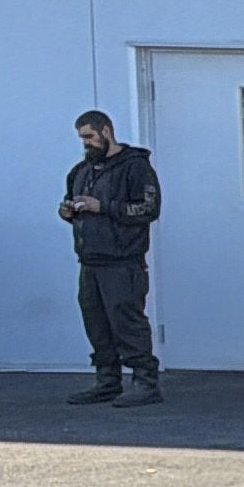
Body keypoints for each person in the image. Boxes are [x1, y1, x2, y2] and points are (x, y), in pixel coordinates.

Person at [59, 109, 163, 404]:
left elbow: (148, 209)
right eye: (82, 138)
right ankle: (107, 380)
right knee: (97, 323)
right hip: (90, 260)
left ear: (107, 132)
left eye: (90, 136)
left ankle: (145, 381)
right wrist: (69, 212)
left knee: (127, 321)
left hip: (123, 261)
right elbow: (76, 207)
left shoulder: (136, 168)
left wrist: (102, 206)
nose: (86, 143)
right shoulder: (81, 172)